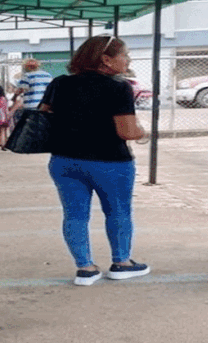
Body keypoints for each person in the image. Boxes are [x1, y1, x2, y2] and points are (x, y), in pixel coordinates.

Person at [39, 35, 150, 286]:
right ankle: (121, 263)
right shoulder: (119, 87)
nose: (128, 60)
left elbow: (44, 117)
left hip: (65, 161)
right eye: (125, 55)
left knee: (74, 215)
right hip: (110, 162)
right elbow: (127, 131)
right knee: (118, 211)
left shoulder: (59, 83)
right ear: (106, 60)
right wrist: (143, 132)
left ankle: (85, 268)